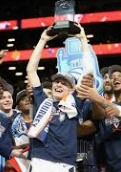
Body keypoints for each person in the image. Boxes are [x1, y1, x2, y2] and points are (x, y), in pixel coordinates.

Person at [26, 24, 90, 172]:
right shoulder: (43, 100)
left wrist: (82, 38)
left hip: (65, 164)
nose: (59, 85)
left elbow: (87, 71)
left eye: (64, 83)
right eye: (57, 82)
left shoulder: (74, 101)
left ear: (72, 89)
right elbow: (31, 70)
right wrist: (43, 40)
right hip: (40, 161)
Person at [77, 65, 121, 172]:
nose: (115, 78)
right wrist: (93, 97)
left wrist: (98, 98)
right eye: (112, 77)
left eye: (120, 76)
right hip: (112, 168)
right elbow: (98, 116)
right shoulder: (104, 109)